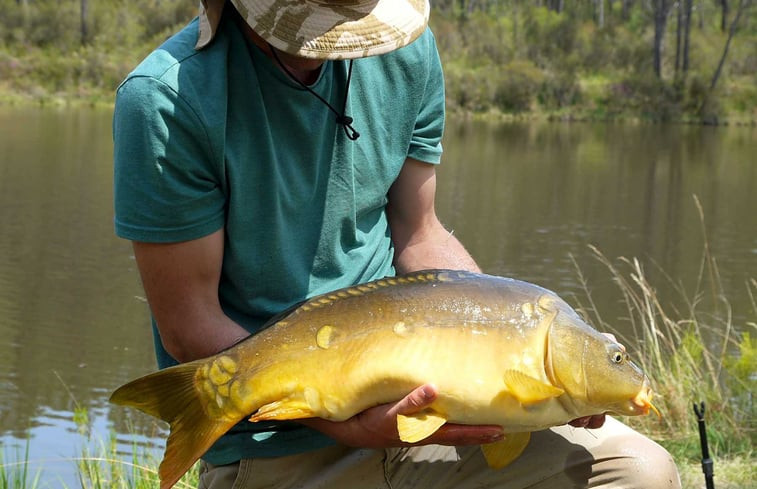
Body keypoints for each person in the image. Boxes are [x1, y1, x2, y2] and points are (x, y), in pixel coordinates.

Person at [112, 0, 681, 487]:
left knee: (640, 472)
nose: (332, 42)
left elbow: (420, 232)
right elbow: (189, 326)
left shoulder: (408, 52)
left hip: (427, 421)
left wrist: (525, 352)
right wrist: (342, 421)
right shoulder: (166, 99)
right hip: (278, 442)